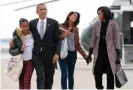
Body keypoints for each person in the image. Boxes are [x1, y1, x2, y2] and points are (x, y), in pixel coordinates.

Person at [10, 3, 61, 89]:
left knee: (49, 80)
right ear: (37, 12)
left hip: (50, 57)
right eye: (41, 9)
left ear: (47, 11)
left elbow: (58, 40)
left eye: (45, 9)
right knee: (40, 78)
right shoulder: (32, 23)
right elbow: (22, 31)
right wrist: (13, 39)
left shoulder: (54, 23)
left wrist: (57, 53)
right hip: (37, 56)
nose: (43, 11)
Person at [86, 6, 121, 89]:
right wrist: (90, 54)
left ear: (105, 13)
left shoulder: (113, 23)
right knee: (97, 72)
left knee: (110, 75)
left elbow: (117, 39)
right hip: (99, 53)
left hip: (111, 54)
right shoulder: (96, 23)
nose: (98, 16)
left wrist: (118, 56)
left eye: (100, 14)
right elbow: (93, 39)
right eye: (98, 14)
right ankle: (99, 87)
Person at [59, 11, 89, 89]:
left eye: (76, 17)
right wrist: (64, 35)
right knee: (64, 74)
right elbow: (56, 39)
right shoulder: (60, 26)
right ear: (69, 16)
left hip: (72, 54)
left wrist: (85, 56)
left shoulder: (76, 29)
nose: (75, 17)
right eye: (74, 15)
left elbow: (78, 45)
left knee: (71, 75)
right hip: (62, 54)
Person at [9, 18, 34, 89]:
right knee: (21, 81)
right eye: (23, 26)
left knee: (27, 80)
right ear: (20, 26)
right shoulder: (16, 37)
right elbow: (10, 51)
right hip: (20, 62)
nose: (25, 28)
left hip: (30, 61)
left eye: (27, 26)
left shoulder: (33, 35)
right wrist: (20, 50)